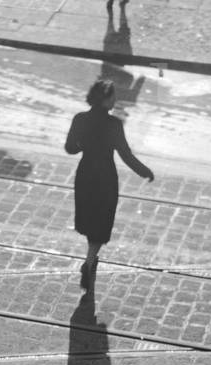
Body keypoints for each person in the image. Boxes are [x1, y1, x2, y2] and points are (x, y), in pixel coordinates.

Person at [65, 78, 154, 292]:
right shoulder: (113, 124)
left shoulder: (80, 119)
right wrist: (145, 171)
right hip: (105, 177)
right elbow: (125, 154)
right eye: (112, 96)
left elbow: (70, 148)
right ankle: (89, 261)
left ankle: (89, 260)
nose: (115, 100)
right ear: (105, 100)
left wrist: (83, 145)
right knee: (101, 221)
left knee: (89, 219)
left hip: (86, 174)